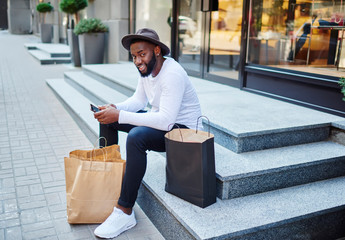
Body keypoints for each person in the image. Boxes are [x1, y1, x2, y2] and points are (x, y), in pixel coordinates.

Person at [92, 28, 202, 239]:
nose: (137, 60)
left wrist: (120, 115)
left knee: (136, 138)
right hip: (166, 124)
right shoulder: (147, 70)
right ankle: (108, 183)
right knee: (108, 120)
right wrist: (114, 108)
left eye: (142, 54)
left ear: (157, 50)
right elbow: (138, 101)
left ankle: (125, 211)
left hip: (185, 134)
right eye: (134, 56)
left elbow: (166, 120)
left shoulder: (173, 73)